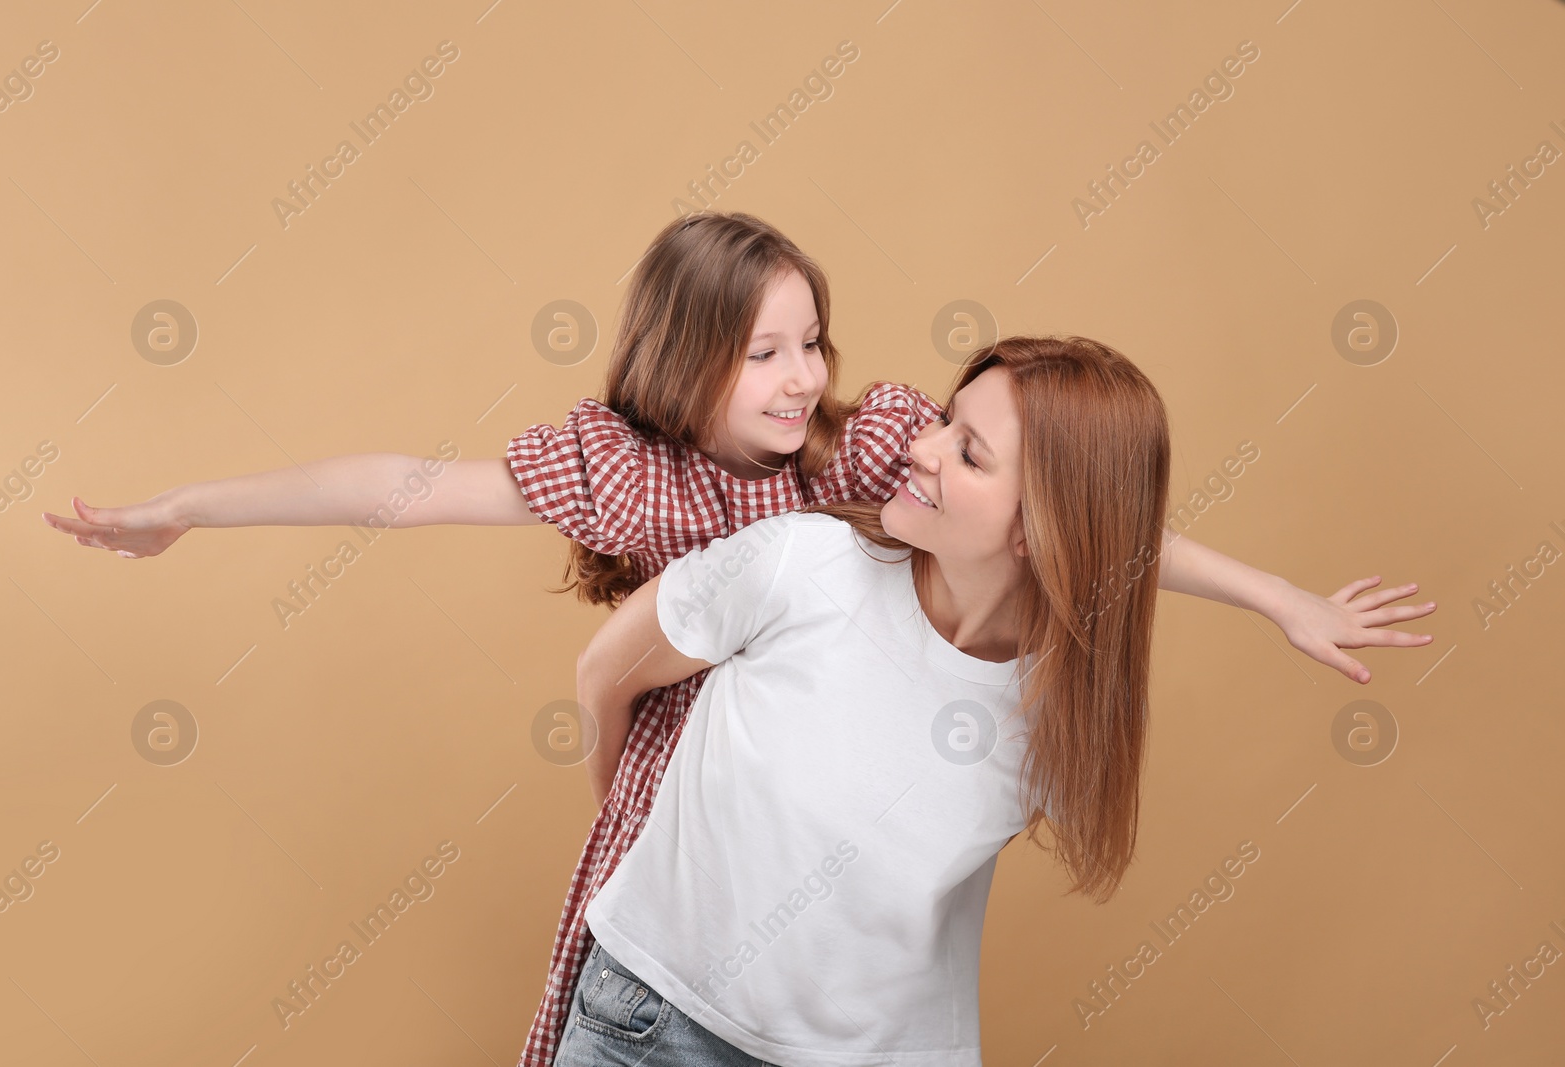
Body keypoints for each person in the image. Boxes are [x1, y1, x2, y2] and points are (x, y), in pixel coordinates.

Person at [38, 214, 1433, 1065]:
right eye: (764, 352)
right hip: (675, 783)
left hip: (814, 775)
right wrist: (187, 510)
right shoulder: (627, 474)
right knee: (620, 975)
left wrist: (1275, 594)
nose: (804, 377)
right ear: (681, 358)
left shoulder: (864, 460)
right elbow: (394, 488)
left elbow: (1086, 522)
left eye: (812, 341)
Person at [557, 336, 1437, 1065]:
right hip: (650, 1023)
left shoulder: (1055, 713)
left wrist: (1278, 599)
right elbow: (607, 675)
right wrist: (642, 841)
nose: (921, 446)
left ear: (1034, 528)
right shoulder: (797, 564)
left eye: (968, 452)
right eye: (945, 421)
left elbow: (1110, 531)